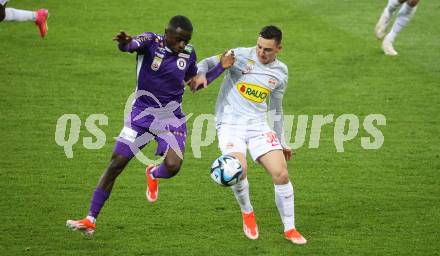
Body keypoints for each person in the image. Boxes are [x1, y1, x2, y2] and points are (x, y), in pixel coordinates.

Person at [66, 15, 234, 236]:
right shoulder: (151, 41)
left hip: (171, 117)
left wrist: (220, 68)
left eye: (186, 40)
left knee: (173, 166)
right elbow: (130, 44)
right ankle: (90, 219)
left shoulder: (188, 53)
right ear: (167, 32)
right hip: (141, 116)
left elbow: (194, 83)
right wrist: (124, 42)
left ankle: (153, 173)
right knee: (116, 163)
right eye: (179, 39)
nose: (182, 44)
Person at [190, 25, 307, 245]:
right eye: (260, 46)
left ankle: (290, 228)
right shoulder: (240, 54)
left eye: (268, 50)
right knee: (238, 168)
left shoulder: (280, 72)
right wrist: (200, 75)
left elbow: (276, 108)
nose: (262, 53)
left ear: (279, 48)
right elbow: (206, 63)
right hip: (229, 123)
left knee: (281, 173)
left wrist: (282, 141)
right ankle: (248, 213)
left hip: (258, 125)